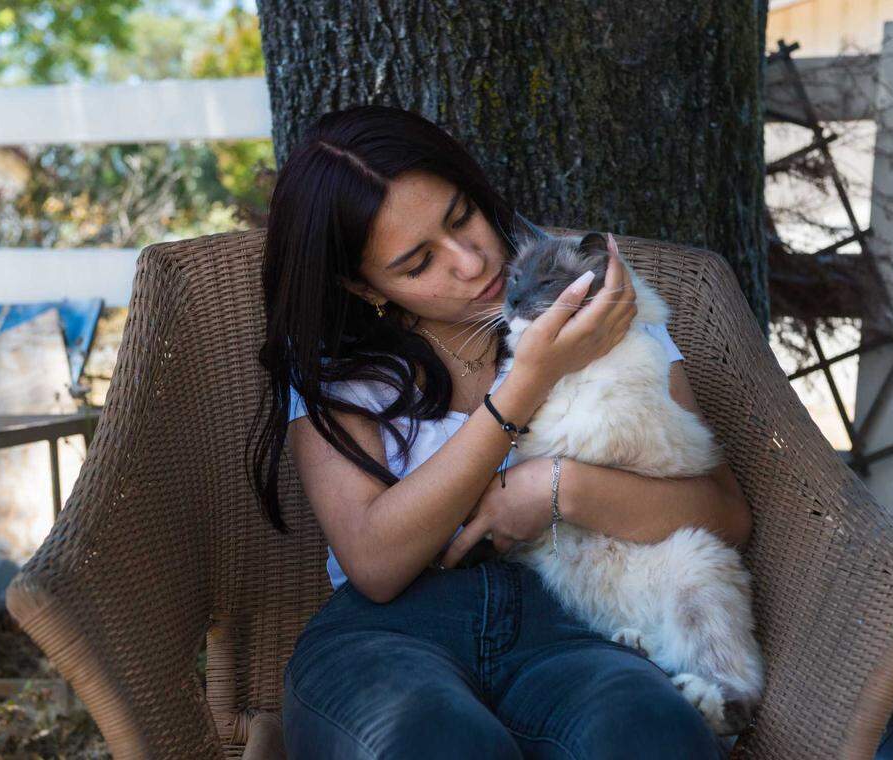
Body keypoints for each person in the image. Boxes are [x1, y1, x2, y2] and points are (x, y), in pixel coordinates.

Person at [251, 104, 752, 758]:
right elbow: (373, 563)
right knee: (435, 745)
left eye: (462, 217)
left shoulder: (593, 297)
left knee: (655, 737)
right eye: (417, 262)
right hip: (389, 640)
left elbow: (722, 517)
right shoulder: (340, 362)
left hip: (579, 624)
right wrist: (530, 379)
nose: (471, 261)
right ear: (363, 285)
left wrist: (553, 487)